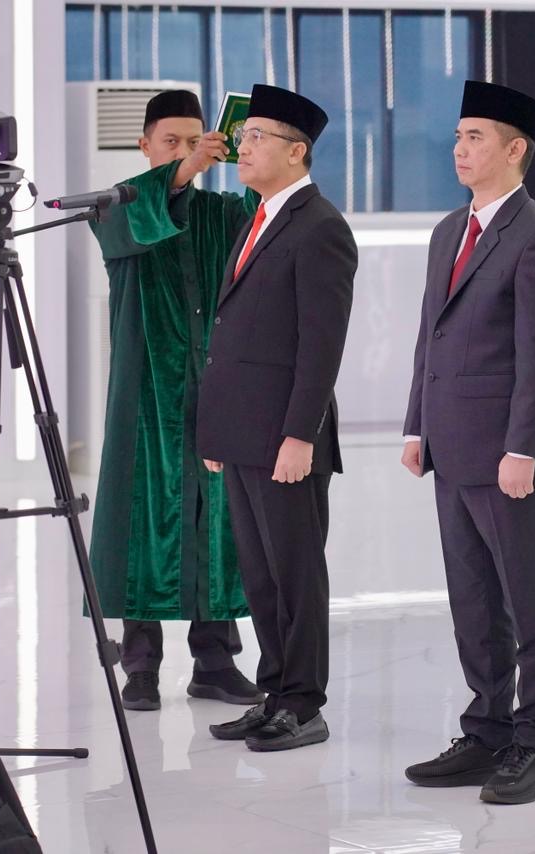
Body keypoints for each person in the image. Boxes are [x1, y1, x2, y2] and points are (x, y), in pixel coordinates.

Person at [400, 80, 535, 805]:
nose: (460, 149)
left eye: (475, 137)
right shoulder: (450, 230)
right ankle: (487, 731)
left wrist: (523, 449)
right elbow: (431, 336)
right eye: (458, 136)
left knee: (529, 606)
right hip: (452, 449)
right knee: (473, 602)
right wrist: (416, 424)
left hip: (511, 459)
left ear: (515, 149)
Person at [87, 89, 262, 711]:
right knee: (144, 522)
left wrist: (257, 155)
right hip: (146, 397)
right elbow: (133, 226)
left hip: (215, 390)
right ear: (145, 146)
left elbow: (267, 223)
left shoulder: (223, 213)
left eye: (195, 140)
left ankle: (215, 662)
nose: (186, 151)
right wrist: (184, 171)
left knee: (217, 518)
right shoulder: (119, 205)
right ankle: (140, 667)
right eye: (172, 142)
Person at [197, 84, 357, 752]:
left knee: (295, 573)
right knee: (260, 575)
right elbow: (235, 332)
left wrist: (300, 435)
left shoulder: (320, 228)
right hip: (241, 433)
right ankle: (274, 693)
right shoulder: (258, 219)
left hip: (286, 436)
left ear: (297, 152)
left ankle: (304, 704)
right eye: (245, 136)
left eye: (258, 136)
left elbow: (321, 346)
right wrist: (216, 430)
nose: (244, 146)